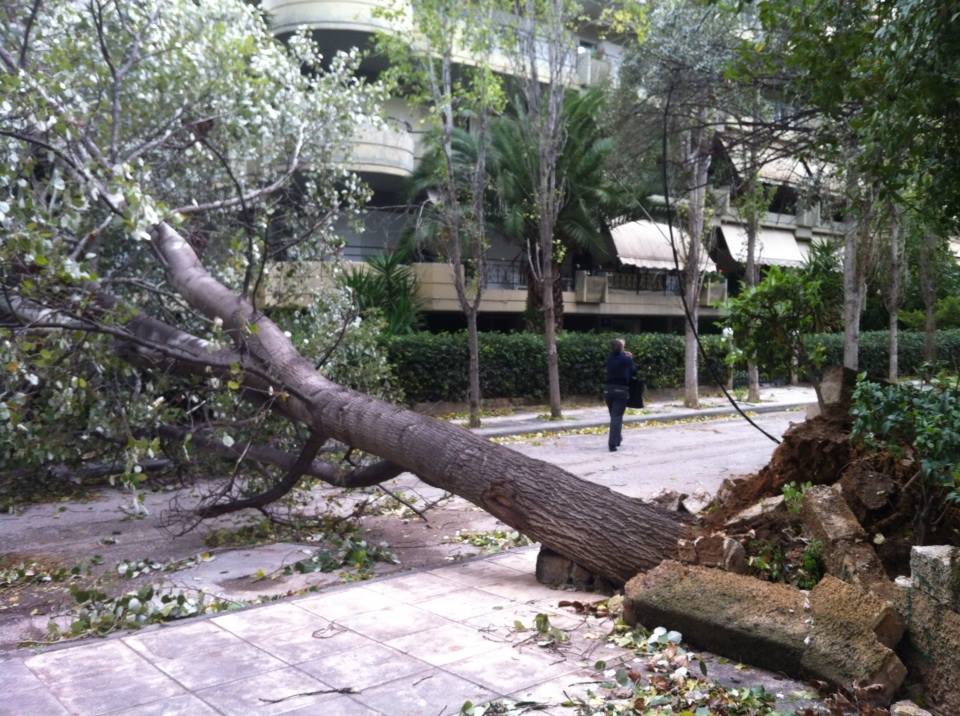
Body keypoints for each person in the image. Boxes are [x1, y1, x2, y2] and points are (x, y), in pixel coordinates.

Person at [604, 338, 636, 452]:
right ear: (622, 348)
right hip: (621, 390)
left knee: (614, 416)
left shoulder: (609, 359)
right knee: (617, 417)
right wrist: (630, 358)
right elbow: (633, 372)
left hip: (608, 390)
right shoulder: (626, 360)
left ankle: (617, 438)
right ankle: (612, 444)